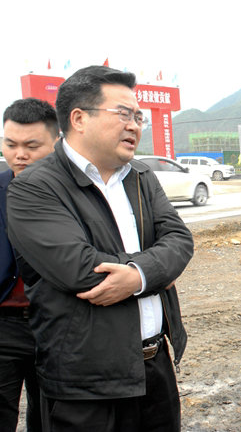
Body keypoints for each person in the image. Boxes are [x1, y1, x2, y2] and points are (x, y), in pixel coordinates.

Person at [6, 66, 193, 432]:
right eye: (123, 114)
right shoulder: (35, 187)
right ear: (79, 118)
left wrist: (140, 275)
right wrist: (157, 271)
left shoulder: (140, 176)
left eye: (138, 117)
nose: (135, 125)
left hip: (155, 367)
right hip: (86, 381)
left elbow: (179, 239)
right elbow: (80, 268)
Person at [0, 98, 59, 431]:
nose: (19, 155)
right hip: (4, 323)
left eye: (31, 146)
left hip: (55, 324)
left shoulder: (75, 194)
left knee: (52, 417)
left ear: (56, 143)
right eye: (11, 145)